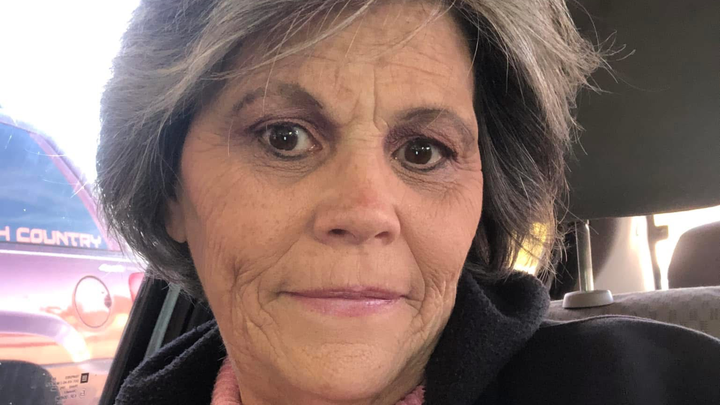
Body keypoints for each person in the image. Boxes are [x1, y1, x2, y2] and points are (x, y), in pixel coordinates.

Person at [96, 0, 720, 404]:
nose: (365, 212)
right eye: (284, 138)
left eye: (424, 152)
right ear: (170, 191)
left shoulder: (661, 387)